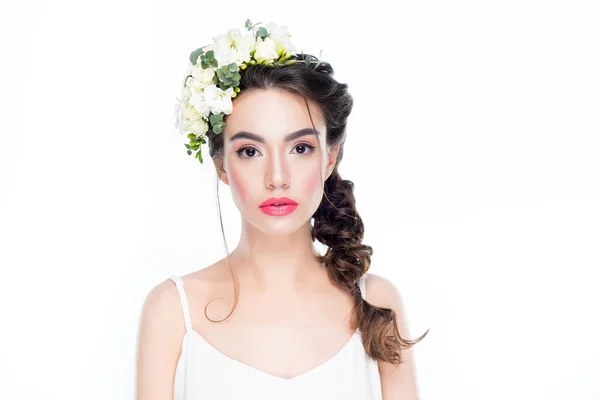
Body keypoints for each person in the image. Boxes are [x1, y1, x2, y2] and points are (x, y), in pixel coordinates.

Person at [135, 19, 429, 400]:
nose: (277, 176)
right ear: (222, 165)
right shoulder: (174, 312)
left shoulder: (377, 303)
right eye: (250, 151)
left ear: (329, 158)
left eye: (300, 148)